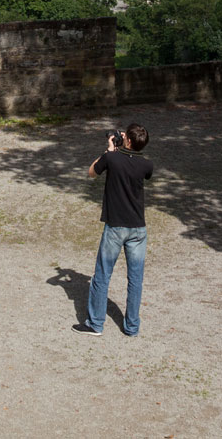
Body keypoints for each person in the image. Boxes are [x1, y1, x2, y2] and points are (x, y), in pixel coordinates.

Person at [75, 123, 152, 337]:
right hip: (138, 229)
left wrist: (109, 150)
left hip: (116, 227)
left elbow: (92, 172)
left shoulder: (111, 159)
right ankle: (131, 326)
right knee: (135, 279)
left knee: (102, 274)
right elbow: (139, 166)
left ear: (126, 140)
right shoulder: (146, 165)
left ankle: (95, 323)